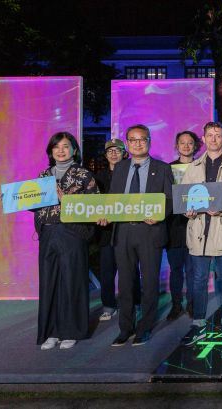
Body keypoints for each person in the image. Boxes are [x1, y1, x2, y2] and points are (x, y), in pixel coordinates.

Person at [103, 124, 173, 347]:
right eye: (133, 140)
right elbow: (112, 199)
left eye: (142, 139)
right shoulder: (120, 168)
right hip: (123, 231)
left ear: (149, 141)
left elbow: (170, 199)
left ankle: (145, 328)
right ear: (127, 144)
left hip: (149, 231)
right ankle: (125, 329)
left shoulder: (162, 168)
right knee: (125, 283)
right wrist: (106, 215)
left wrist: (159, 215)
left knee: (150, 282)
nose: (138, 143)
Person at [180, 122, 222, 346]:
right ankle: (198, 323)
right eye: (209, 135)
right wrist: (187, 211)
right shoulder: (193, 167)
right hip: (199, 231)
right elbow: (184, 199)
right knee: (198, 280)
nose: (213, 139)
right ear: (203, 138)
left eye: (218, 135)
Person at [35, 132, 99, 350]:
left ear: (74, 150)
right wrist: (15, 198)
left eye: (65, 146)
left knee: (72, 281)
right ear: (51, 151)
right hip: (48, 233)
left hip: (72, 232)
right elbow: (36, 203)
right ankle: (51, 332)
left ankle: (71, 331)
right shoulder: (44, 175)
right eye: (56, 147)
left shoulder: (84, 175)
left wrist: (66, 200)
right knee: (49, 282)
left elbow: (94, 206)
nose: (60, 151)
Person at [93, 138, 134, 321]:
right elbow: (93, 203)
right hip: (106, 231)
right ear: (106, 155)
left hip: (128, 228)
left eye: (117, 150)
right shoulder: (98, 177)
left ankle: (135, 302)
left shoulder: (132, 173)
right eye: (110, 151)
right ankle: (109, 306)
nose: (114, 153)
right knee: (107, 271)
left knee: (131, 270)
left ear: (124, 153)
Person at [166, 130, 201, 321]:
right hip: (174, 226)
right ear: (176, 146)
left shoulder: (201, 167)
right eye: (182, 142)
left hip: (196, 223)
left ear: (195, 146)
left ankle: (193, 304)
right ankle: (176, 305)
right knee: (176, 269)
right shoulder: (168, 169)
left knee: (193, 270)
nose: (186, 146)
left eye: (190, 143)